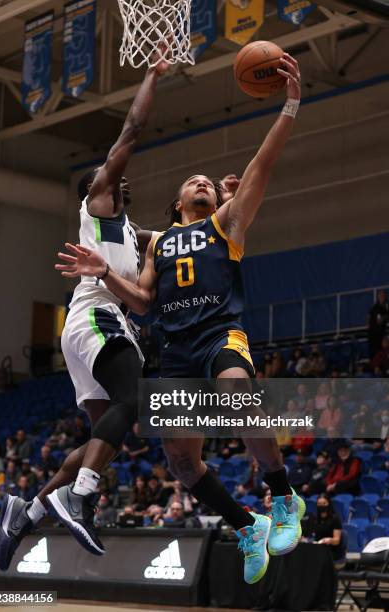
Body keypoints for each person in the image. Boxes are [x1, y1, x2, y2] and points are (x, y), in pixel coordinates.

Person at [57, 54, 305, 584]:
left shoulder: (227, 223)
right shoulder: (160, 244)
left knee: (238, 396)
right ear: (175, 202)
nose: (201, 182)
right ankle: (246, 528)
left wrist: (289, 105)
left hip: (218, 334)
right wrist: (103, 272)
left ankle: (283, 496)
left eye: (207, 182)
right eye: (191, 181)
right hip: (174, 351)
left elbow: (262, 164)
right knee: (182, 462)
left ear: (217, 198)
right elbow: (142, 301)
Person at [0, 50, 170, 572]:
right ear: (95, 187)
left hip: (92, 328)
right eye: (110, 174)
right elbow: (132, 132)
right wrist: (152, 76)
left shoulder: (127, 236)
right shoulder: (98, 202)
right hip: (96, 321)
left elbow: (149, 285)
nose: (119, 179)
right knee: (134, 397)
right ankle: (80, 497)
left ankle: (27, 511)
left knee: (107, 436)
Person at [302, 493, 345, 561]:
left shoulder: (335, 519)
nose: (321, 506)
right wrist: (305, 539)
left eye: (324, 503)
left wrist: (329, 540)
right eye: (319, 504)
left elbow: (337, 540)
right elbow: (310, 536)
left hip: (331, 550)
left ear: (329, 504)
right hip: (318, 548)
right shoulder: (314, 518)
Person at [368, 290, 389, 358]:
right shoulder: (375, 307)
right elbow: (370, 316)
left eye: (383, 295)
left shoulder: (386, 306)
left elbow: (381, 320)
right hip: (374, 333)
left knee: (382, 351)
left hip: (381, 333)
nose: (381, 296)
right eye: (380, 295)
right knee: (374, 352)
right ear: (378, 296)